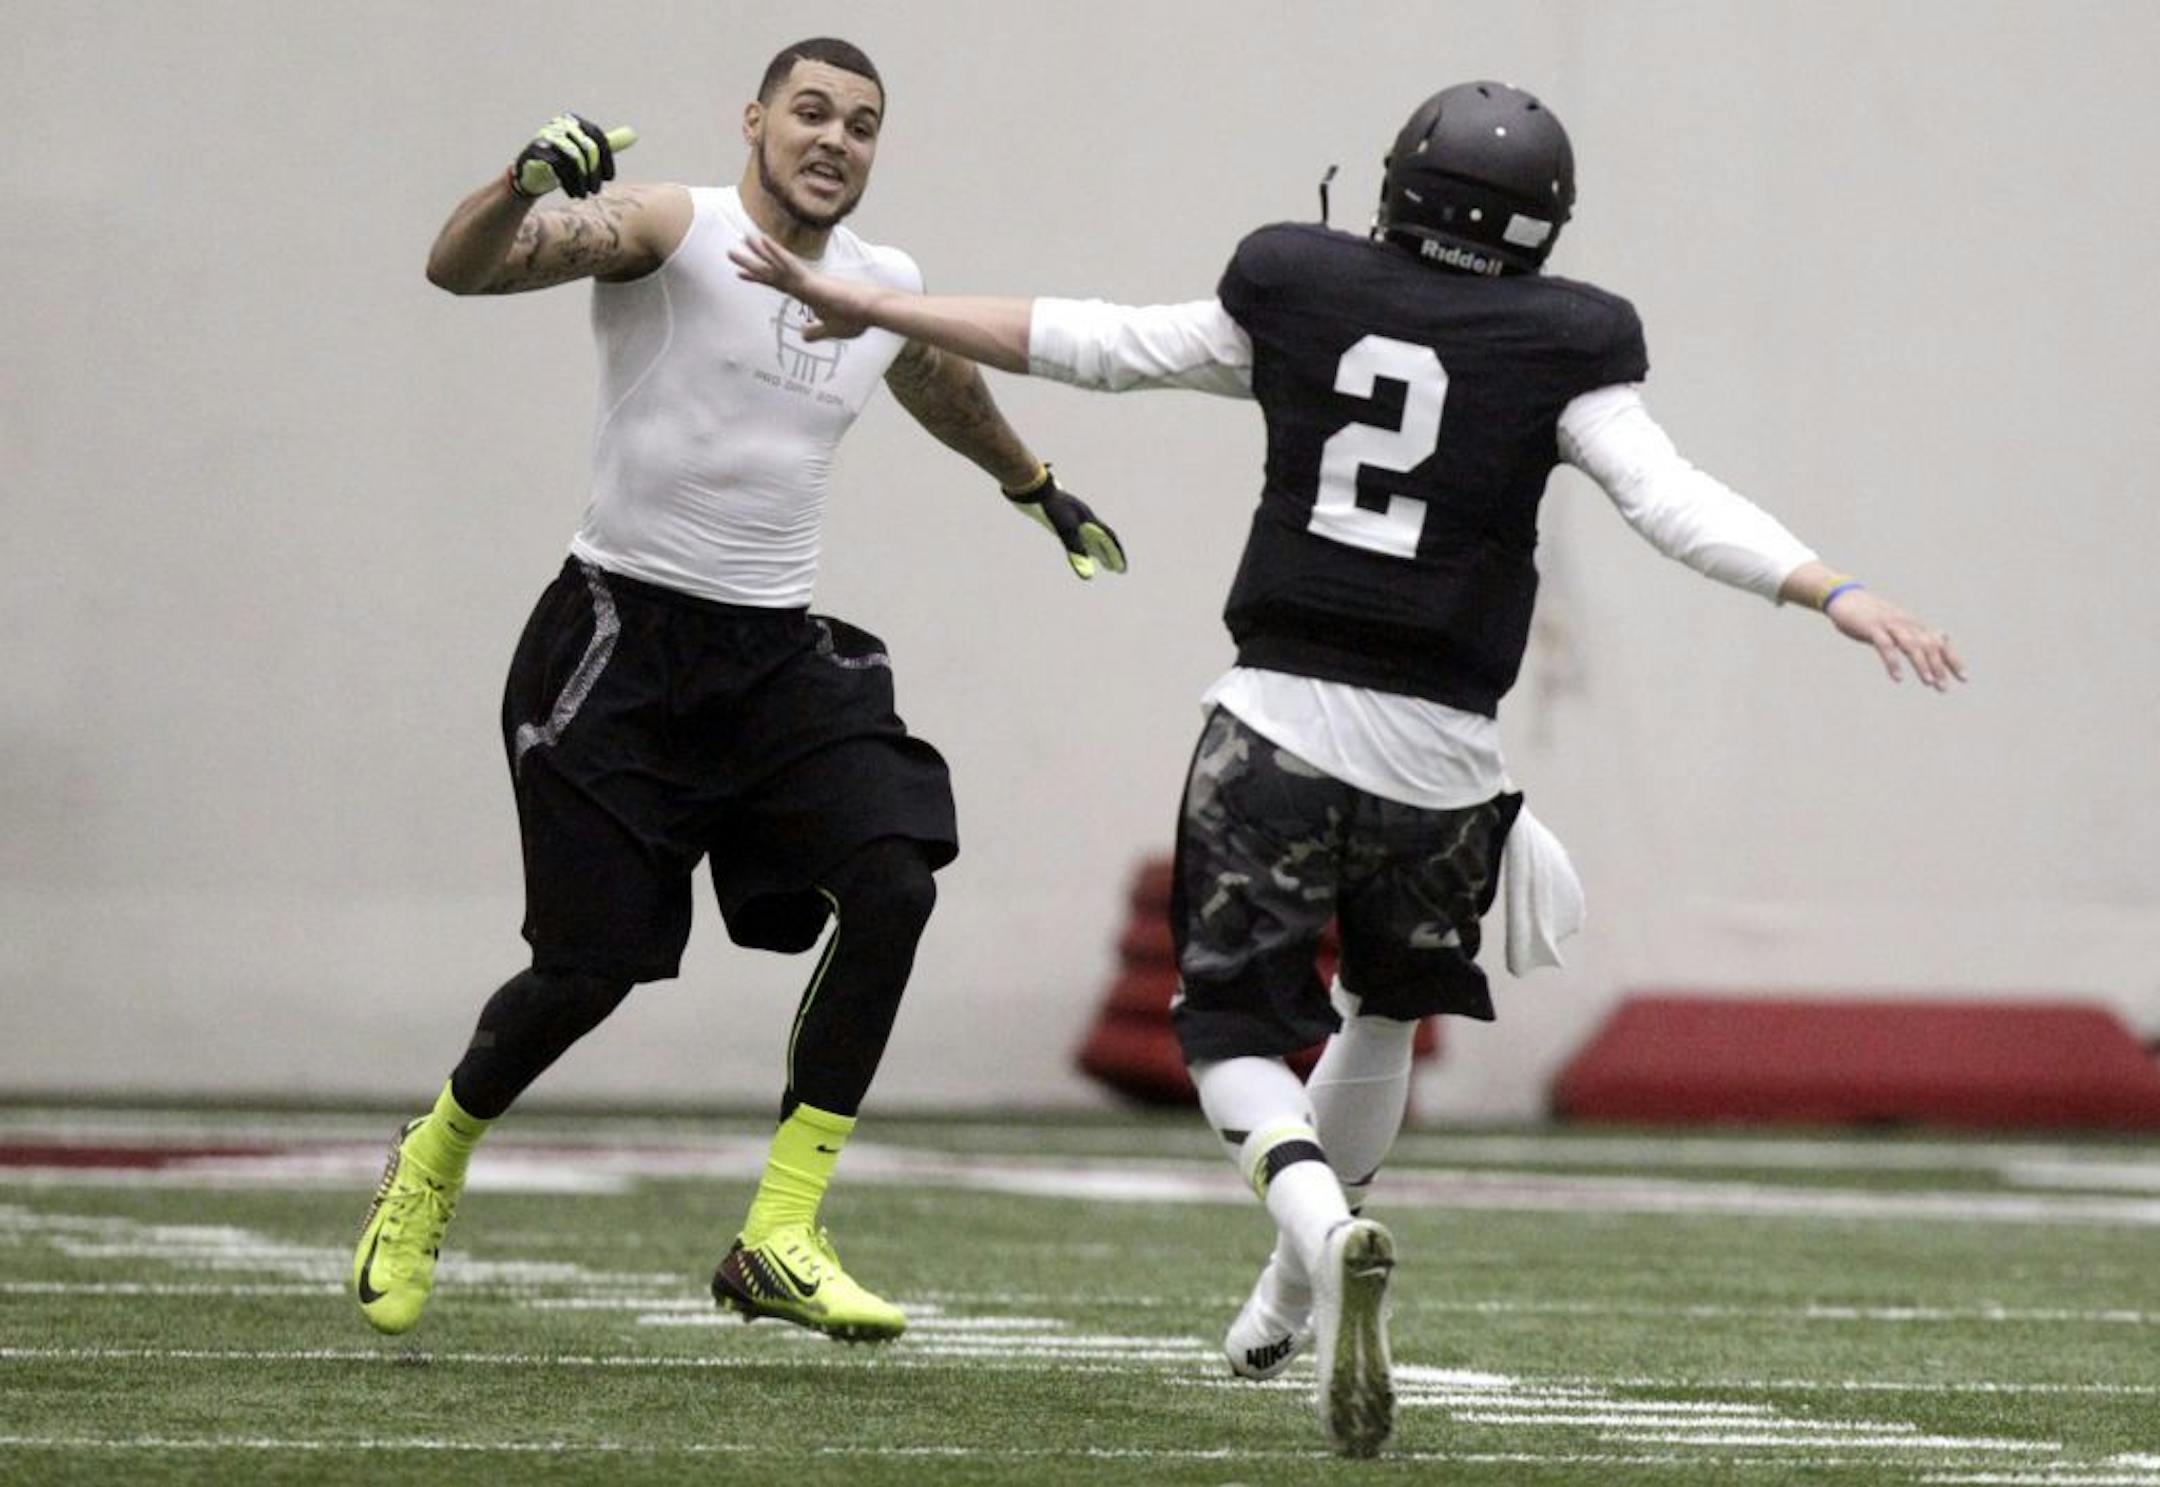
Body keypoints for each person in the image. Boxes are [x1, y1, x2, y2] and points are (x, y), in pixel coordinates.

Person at [729, 78, 1965, 1453]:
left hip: (1281, 729)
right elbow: (1671, 502)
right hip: (1446, 763)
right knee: (1381, 1012)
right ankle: (1286, 1295)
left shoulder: (1296, 286)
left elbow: (1096, 344)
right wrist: (1831, 588)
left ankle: (1317, 1236)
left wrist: (883, 307)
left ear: (1396, 189)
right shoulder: (1568, 341)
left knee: (1230, 1030)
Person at [351, 37, 1125, 1347]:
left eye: (863, 125)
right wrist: (520, 183)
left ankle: (780, 1230)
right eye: (810, 112)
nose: (835, 139)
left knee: (893, 882)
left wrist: (1034, 485)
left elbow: (932, 374)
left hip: (775, 663)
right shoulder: (671, 225)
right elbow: (459, 266)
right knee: (589, 971)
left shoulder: (885, 283)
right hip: (618, 648)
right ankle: (429, 1160)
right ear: (754, 121)